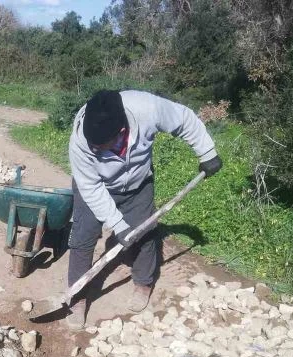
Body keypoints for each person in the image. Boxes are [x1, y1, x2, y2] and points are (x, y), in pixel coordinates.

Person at [66, 90, 222, 330]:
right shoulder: (80, 140)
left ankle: (143, 283)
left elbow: (184, 119)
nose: (94, 149)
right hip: (96, 187)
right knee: (82, 237)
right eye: (92, 146)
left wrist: (207, 152)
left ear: (121, 131)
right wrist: (118, 226)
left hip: (138, 182)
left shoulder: (146, 108)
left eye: (100, 146)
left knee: (145, 233)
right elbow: (91, 187)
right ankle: (77, 296)